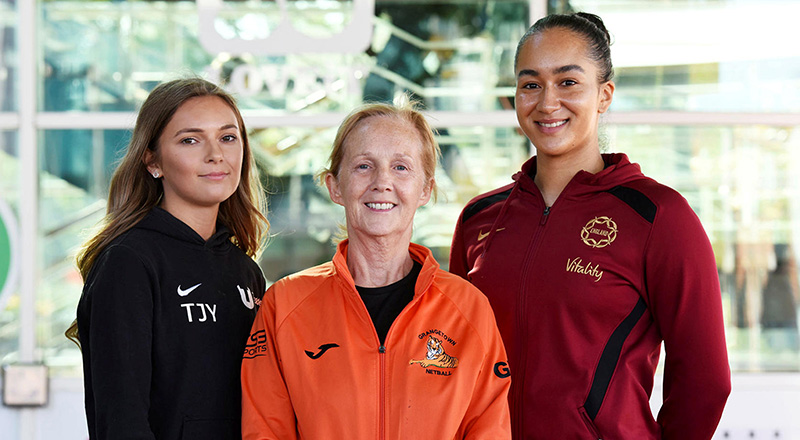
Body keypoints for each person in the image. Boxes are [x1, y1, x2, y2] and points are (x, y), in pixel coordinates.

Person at [449, 12, 731, 440]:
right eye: (530, 84)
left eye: (568, 82)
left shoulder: (658, 217)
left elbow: (706, 380)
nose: (547, 103)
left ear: (604, 95)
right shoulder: (479, 218)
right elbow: (453, 354)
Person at [241, 98, 511, 439]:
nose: (382, 182)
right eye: (363, 166)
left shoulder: (468, 308)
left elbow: (489, 430)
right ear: (334, 186)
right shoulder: (285, 305)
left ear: (426, 188)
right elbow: (265, 431)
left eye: (401, 167)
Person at [65, 78, 269, 440]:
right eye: (190, 140)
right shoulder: (128, 262)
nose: (215, 155)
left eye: (228, 137)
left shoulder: (246, 272)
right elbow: (121, 420)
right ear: (153, 160)